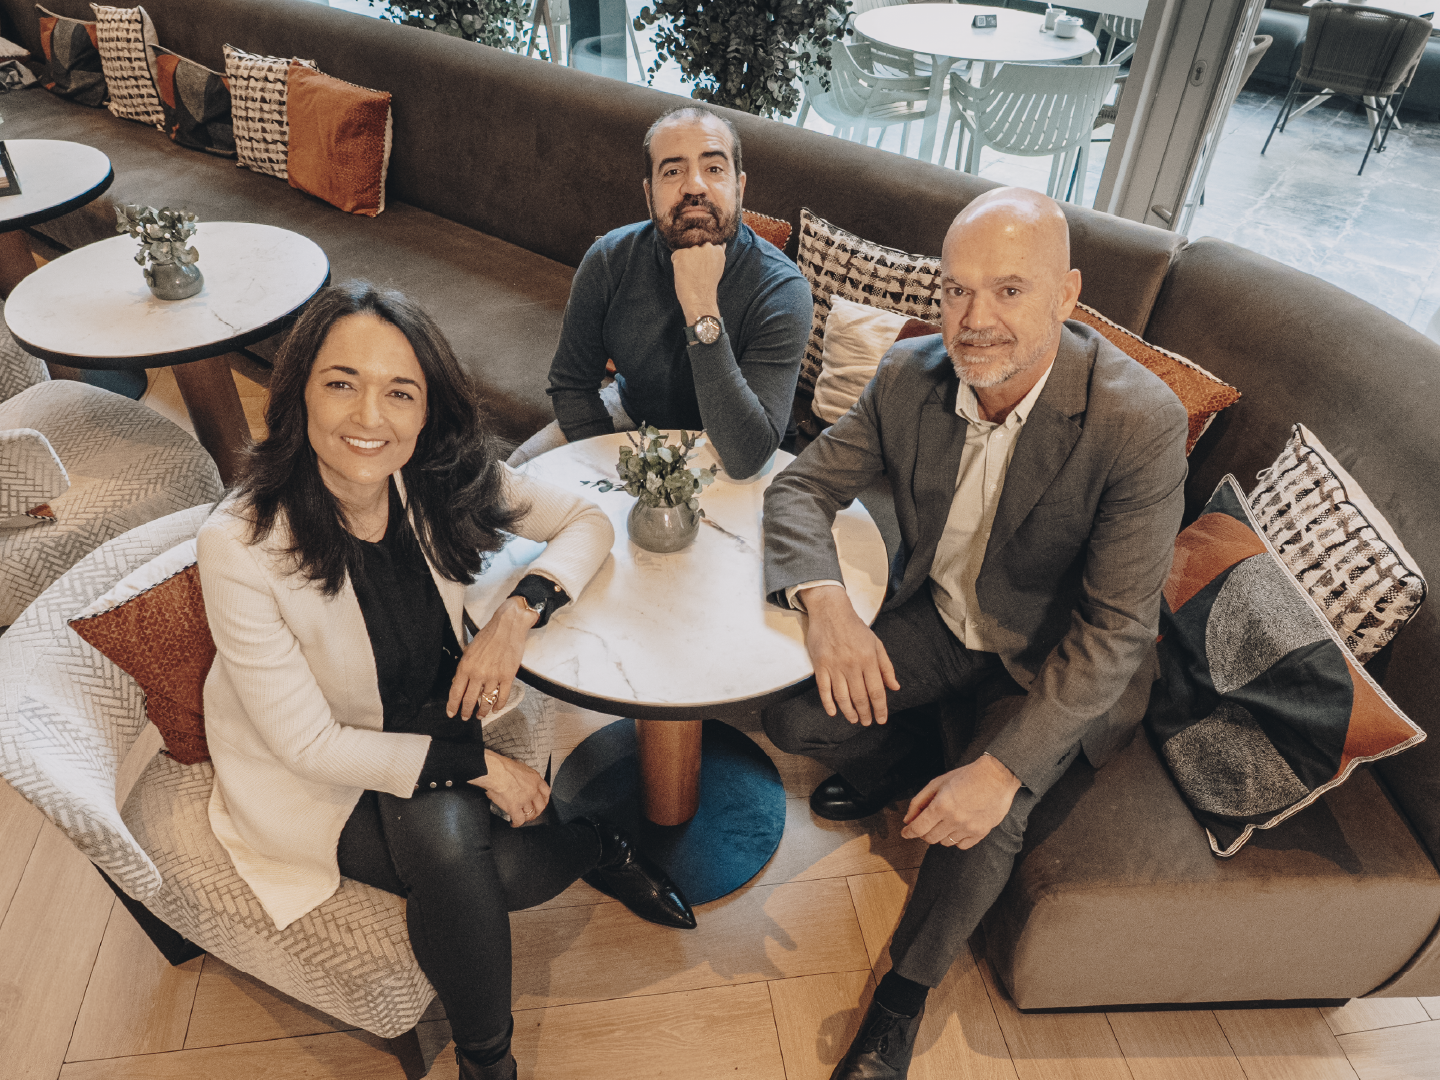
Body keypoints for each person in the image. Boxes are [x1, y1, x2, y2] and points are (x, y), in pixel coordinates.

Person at [197, 282, 696, 1080]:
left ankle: (498, 1032)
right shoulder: (239, 544)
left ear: (427, 411)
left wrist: (515, 617)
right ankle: (583, 871)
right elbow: (308, 743)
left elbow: (589, 521)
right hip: (325, 765)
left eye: (400, 392)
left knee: (454, 854)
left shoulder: (438, 474)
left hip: (437, 716)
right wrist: (482, 768)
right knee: (471, 858)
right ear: (298, 392)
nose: (369, 418)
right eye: (341, 383)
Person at [760, 189, 1189, 1079]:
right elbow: (799, 489)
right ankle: (914, 754)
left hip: (1051, 664)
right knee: (795, 716)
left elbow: (1113, 633)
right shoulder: (907, 375)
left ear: (1068, 296)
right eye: (956, 290)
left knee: (986, 821)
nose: (973, 320)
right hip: (945, 622)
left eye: (1008, 291)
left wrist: (999, 770)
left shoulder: (1138, 422)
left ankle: (898, 1004)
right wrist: (828, 608)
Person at [508, 104, 812, 479]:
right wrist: (621, 473)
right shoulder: (609, 260)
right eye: (673, 171)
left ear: (740, 186)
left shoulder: (783, 290)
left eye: (714, 168)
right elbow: (571, 385)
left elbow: (746, 456)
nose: (695, 186)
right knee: (515, 476)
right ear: (649, 195)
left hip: (742, 445)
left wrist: (701, 306)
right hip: (633, 419)